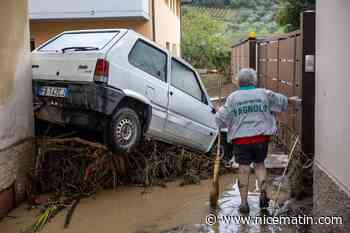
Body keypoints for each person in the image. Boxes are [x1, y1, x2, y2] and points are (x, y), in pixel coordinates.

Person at [215, 68, 289, 214]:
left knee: (243, 169)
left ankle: (244, 204)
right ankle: (263, 192)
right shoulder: (264, 94)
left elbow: (220, 120)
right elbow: (283, 102)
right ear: (254, 81)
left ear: (238, 82)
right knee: (260, 165)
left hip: (241, 141)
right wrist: (290, 101)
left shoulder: (233, 98)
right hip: (261, 138)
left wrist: (219, 111)